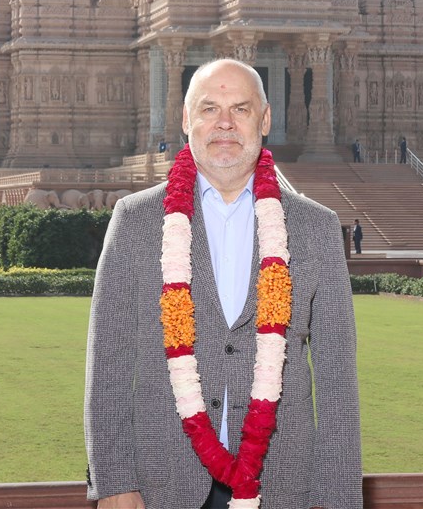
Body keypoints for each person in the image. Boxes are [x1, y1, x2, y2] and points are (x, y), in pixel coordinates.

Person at [85, 58, 362, 509]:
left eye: (241, 109)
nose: (225, 124)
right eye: (210, 109)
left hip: (282, 484)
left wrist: (335, 498)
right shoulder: (136, 221)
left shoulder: (314, 228)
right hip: (162, 484)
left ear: (265, 119)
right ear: (186, 119)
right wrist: (115, 482)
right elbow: (108, 365)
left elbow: (337, 382)